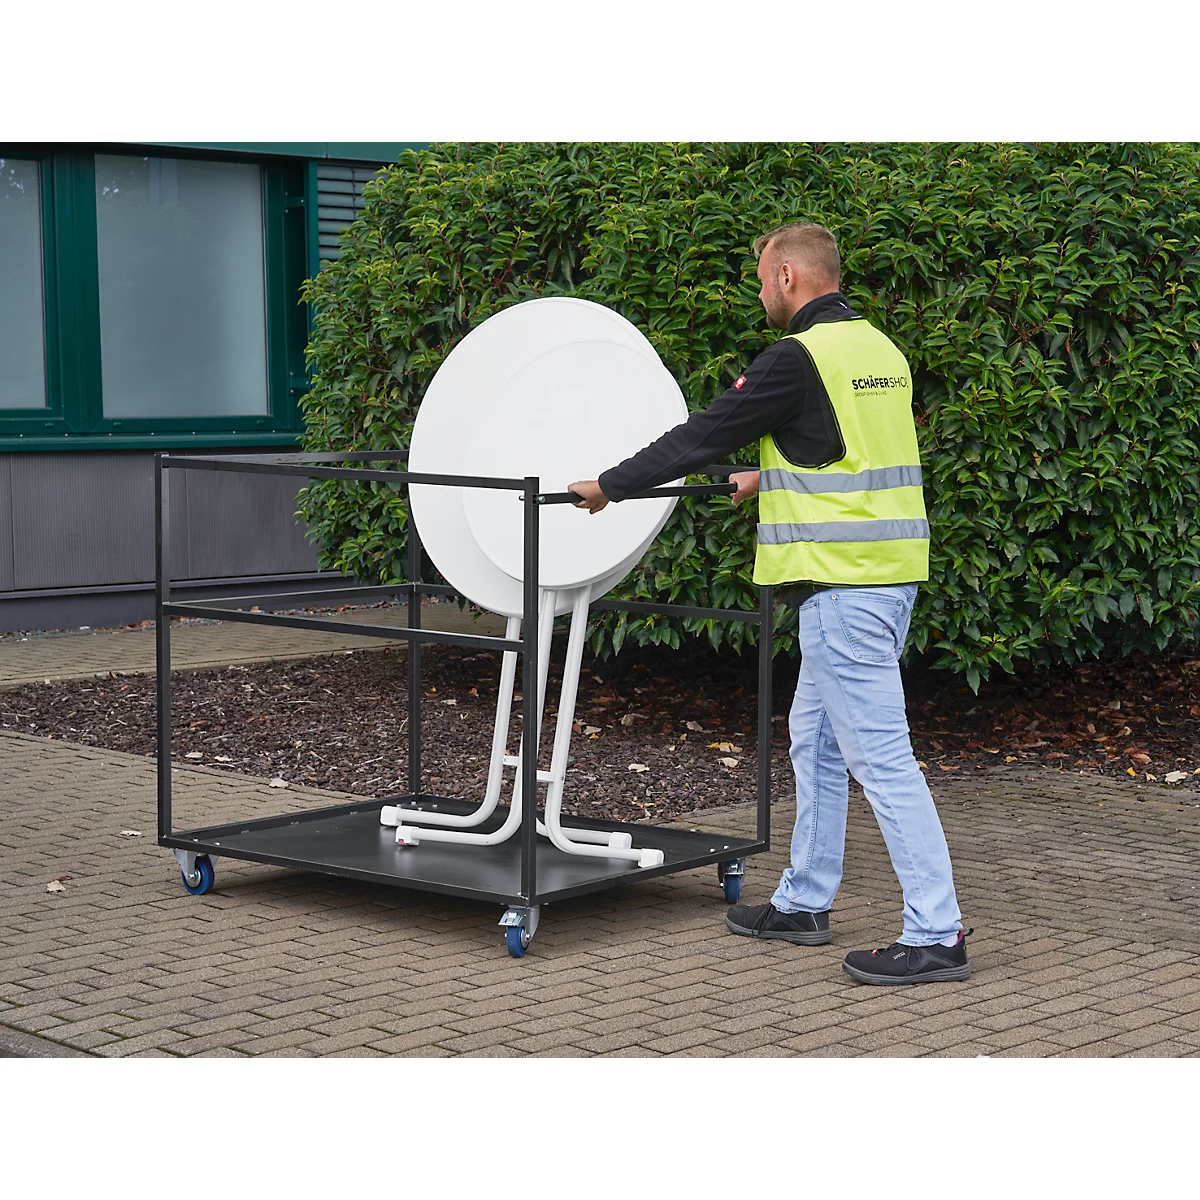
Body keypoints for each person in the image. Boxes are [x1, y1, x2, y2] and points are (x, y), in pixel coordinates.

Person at [568, 221, 971, 985]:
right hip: (880, 577)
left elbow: (705, 433)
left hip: (843, 590)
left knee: (882, 760)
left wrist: (608, 487)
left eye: (761, 278)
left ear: (788, 275)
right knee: (814, 744)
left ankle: (937, 931)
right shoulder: (877, 349)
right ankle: (802, 902)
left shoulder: (796, 358)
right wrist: (770, 477)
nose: (758, 291)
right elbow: (848, 451)